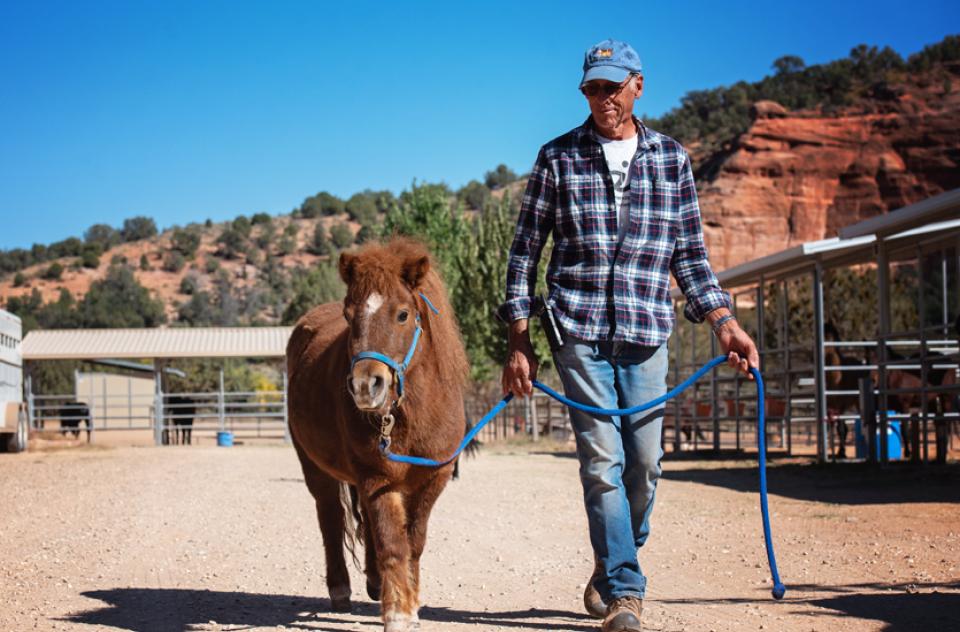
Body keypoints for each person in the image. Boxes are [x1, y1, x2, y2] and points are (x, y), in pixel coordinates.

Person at [498, 39, 760, 632]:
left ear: (638, 85)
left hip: (646, 329)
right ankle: (625, 590)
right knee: (601, 463)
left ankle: (614, 560)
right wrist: (520, 340)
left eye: (612, 87)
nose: (602, 98)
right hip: (578, 330)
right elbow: (523, 256)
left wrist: (726, 324)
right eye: (592, 87)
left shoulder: (671, 160)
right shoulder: (556, 158)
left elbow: (689, 257)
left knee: (645, 465)